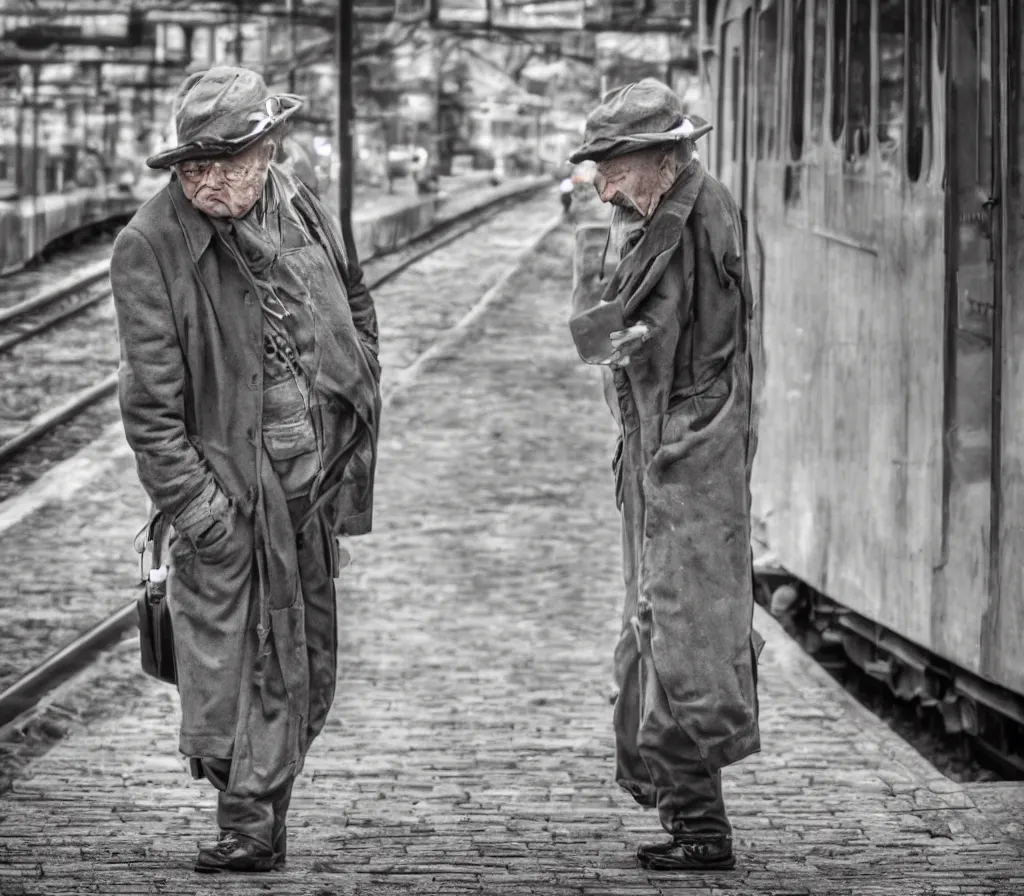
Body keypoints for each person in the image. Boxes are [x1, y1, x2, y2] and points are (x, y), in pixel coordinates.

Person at [109, 66, 382, 873]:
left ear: (270, 150)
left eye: (228, 160)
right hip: (229, 494)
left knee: (308, 662)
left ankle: (258, 810)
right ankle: (250, 821)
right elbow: (150, 409)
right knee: (234, 669)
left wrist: (359, 377)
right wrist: (201, 515)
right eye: (194, 165)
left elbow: (355, 297)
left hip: (312, 483)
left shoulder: (297, 203)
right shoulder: (149, 246)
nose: (210, 179)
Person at [567, 78, 763, 871]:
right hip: (660, 457)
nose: (602, 185)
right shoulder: (658, 214)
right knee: (659, 632)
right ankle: (692, 820)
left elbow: (708, 363)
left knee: (681, 637)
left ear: (661, 157)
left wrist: (672, 444)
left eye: (612, 168)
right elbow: (613, 333)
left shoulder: (698, 217)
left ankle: (703, 830)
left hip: (684, 462)